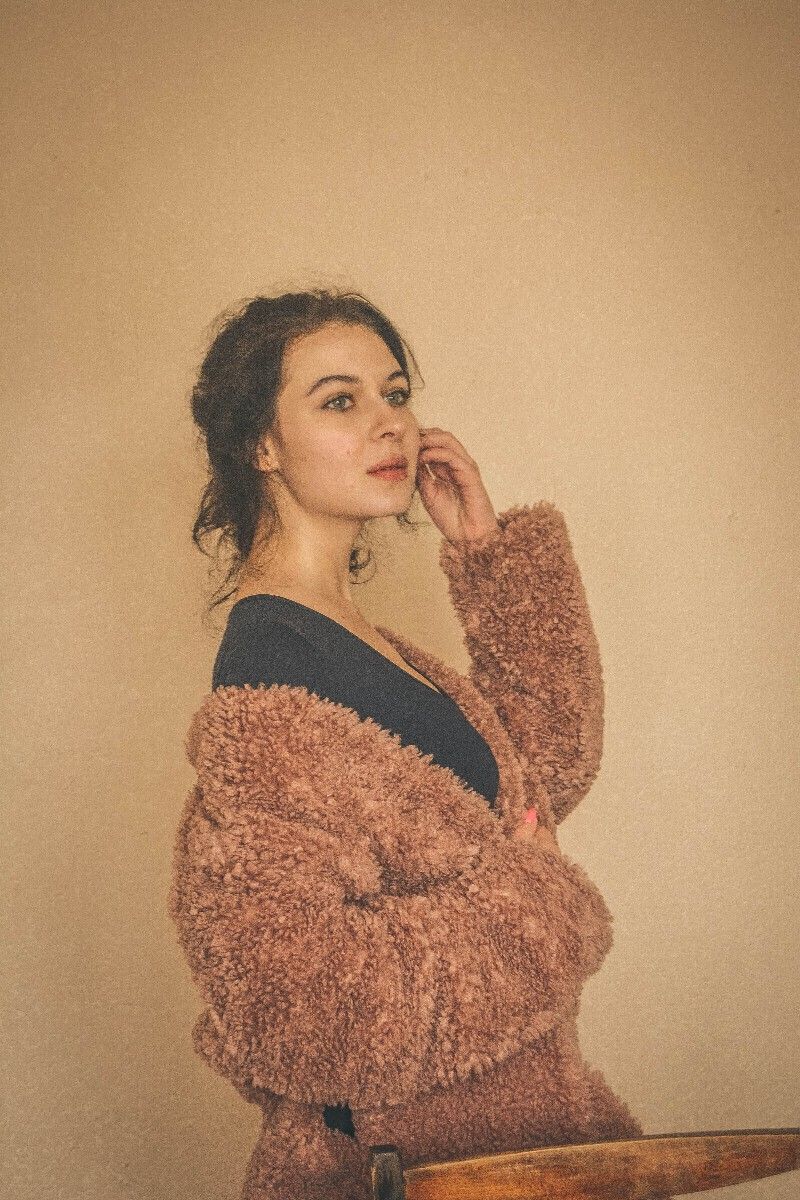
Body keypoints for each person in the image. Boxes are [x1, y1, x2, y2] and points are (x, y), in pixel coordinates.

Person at [169, 289, 641, 1200]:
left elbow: (541, 773)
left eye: (394, 393)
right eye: (340, 401)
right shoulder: (272, 669)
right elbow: (294, 1008)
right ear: (261, 445)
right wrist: (537, 900)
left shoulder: (363, 643)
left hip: (513, 1148)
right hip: (407, 1172)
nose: (390, 423)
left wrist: (488, 555)